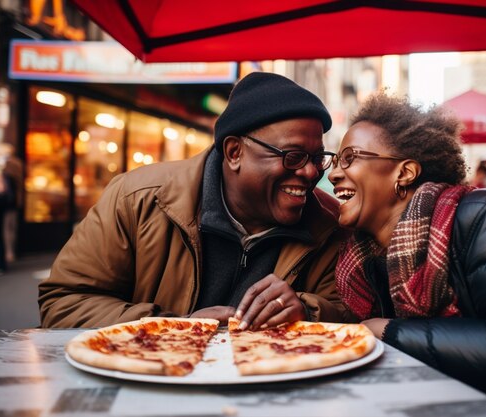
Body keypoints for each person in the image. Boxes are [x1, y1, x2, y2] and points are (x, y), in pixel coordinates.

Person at [327, 92, 486, 416]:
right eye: (336, 160)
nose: (334, 174)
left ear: (404, 173)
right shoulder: (360, 259)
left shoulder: (483, 217)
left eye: (350, 157)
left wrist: (392, 333)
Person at [39, 72, 351, 330]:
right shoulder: (135, 199)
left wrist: (308, 312)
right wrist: (173, 328)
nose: (311, 172)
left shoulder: (330, 226)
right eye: (293, 156)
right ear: (234, 153)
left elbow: (353, 313)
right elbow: (64, 302)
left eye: (316, 157)